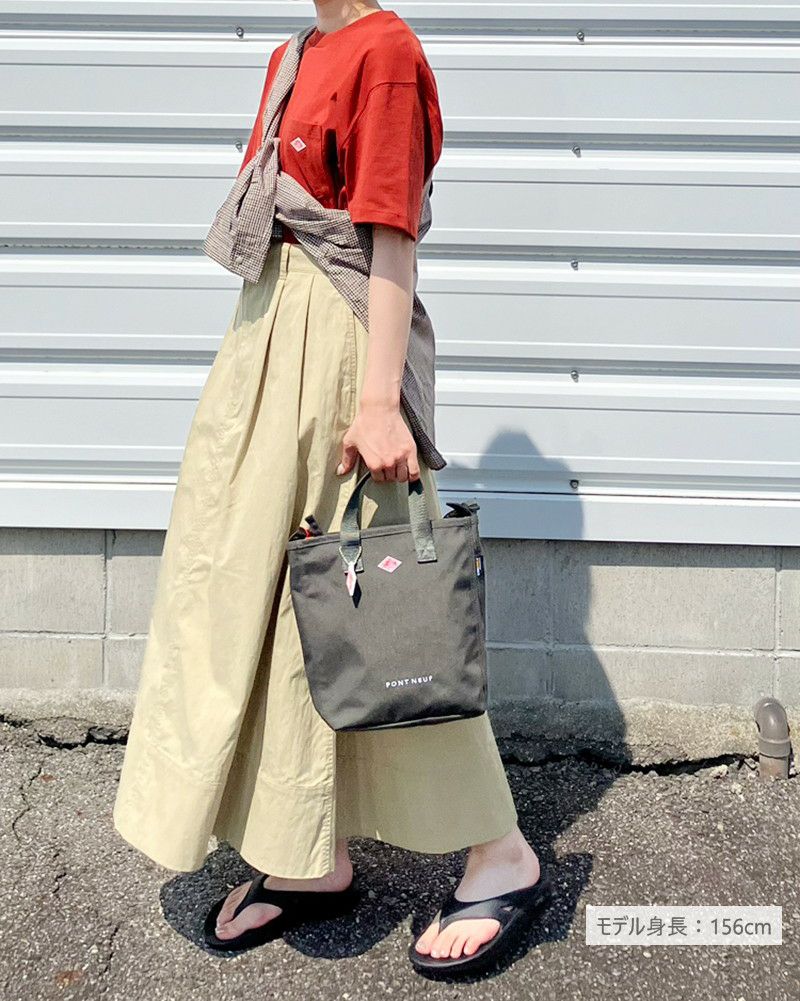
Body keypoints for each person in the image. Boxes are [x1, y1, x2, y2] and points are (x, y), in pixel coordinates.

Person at [112, 1, 552, 976]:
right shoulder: (295, 52)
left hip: (337, 356)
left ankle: (501, 852)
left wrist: (380, 399)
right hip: (265, 346)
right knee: (265, 604)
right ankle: (307, 851)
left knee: (387, 613)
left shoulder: (383, 48)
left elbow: (390, 236)